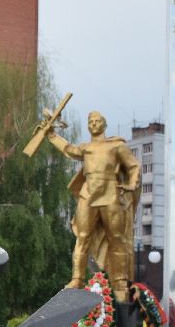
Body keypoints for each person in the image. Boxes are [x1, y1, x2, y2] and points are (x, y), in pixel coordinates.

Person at [39, 110, 141, 302]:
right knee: (82, 238)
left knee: (116, 239)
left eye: (97, 121)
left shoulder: (116, 146)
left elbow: (134, 166)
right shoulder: (85, 148)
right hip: (88, 195)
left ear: (104, 124)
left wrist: (132, 184)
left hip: (110, 195)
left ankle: (120, 284)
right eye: (90, 122)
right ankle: (76, 279)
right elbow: (68, 149)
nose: (93, 124)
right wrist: (51, 135)